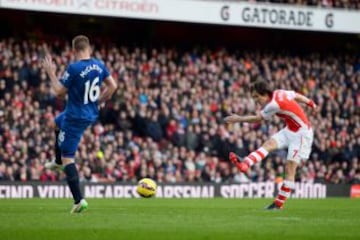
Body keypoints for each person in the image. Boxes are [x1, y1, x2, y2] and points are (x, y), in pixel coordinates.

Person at [42, 35, 117, 213]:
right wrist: (98, 101)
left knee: (69, 157)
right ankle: (57, 160)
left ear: (75, 51)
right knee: (55, 123)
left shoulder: (74, 68)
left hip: (76, 117)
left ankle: (78, 200)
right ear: (89, 48)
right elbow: (113, 86)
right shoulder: (99, 64)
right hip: (87, 112)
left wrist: (51, 73)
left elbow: (59, 92)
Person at [224, 80, 317, 210]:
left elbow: (258, 119)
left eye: (257, 97)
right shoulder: (280, 92)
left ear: (265, 94)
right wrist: (310, 103)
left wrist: (238, 119)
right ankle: (245, 163)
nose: (256, 100)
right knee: (268, 144)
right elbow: (296, 95)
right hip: (289, 129)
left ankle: (279, 204)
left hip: (302, 135)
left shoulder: (273, 105)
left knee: (290, 169)